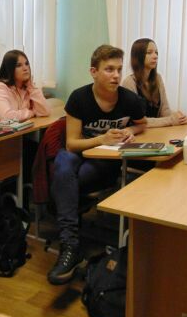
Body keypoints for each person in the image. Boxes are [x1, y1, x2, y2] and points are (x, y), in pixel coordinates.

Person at [47, 45, 146, 285]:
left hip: (105, 163)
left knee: (64, 182)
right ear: (93, 72)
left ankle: (69, 246)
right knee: (63, 160)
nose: (116, 75)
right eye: (109, 69)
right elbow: (72, 144)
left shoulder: (129, 99)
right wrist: (102, 139)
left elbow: (142, 124)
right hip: (81, 154)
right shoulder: (79, 98)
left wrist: (129, 131)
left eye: (119, 69)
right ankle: (70, 245)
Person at [122, 38, 187, 127]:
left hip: (158, 132)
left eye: (156, 52)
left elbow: (165, 111)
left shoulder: (158, 78)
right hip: (139, 133)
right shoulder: (129, 82)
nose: (155, 56)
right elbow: (137, 121)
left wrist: (179, 118)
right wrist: (171, 120)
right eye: (149, 53)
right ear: (138, 56)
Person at [0, 49, 50, 126]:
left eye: (26, 64)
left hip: (21, 131)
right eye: (19, 65)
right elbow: (7, 118)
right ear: (9, 69)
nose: (25, 68)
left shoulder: (27, 87)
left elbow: (45, 112)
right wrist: (31, 112)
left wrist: (31, 87)